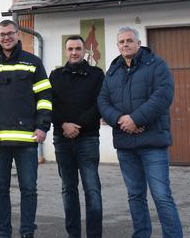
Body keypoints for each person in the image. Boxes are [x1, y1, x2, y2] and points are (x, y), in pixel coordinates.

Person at [97, 27, 182, 238]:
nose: (125, 44)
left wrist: (136, 119)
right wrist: (119, 120)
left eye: (129, 40)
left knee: (161, 196)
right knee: (135, 196)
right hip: (126, 145)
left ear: (138, 42)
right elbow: (102, 100)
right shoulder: (113, 71)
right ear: (117, 46)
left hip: (153, 143)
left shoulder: (156, 65)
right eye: (121, 42)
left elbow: (163, 95)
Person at [0, 19, 52, 238]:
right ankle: (4, 233)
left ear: (18, 34)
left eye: (10, 33)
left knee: (28, 189)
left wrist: (42, 126)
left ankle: (27, 232)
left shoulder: (33, 62)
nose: (6, 38)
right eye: (1, 34)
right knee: (0, 190)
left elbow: (44, 97)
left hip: (27, 139)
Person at [50, 35, 104, 238]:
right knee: (68, 189)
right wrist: (63, 124)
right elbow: (49, 104)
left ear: (84, 51)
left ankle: (94, 235)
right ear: (66, 51)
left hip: (88, 139)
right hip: (62, 140)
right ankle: (73, 234)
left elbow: (99, 104)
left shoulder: (97, 74)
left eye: (78, 48)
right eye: (70, 48)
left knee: (92, 190)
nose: (74, 52)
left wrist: (78, 125)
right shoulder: (55, 76)